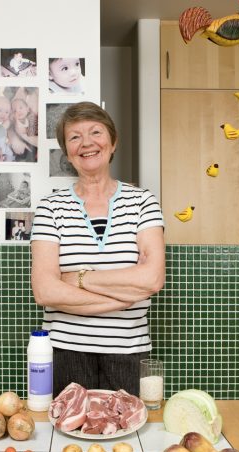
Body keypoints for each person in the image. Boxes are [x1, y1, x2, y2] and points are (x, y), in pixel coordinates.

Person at [30, 102, 165, 396]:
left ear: (113, 142)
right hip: (66, 352)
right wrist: (124, 298)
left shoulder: (143, 202)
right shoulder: (50, 208)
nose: (87, 142)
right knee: (70, 439)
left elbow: (152, 279)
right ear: (66, 152)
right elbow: (45, 292)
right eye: (74, 137)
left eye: (95, 132)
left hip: (129, 352)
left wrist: (79, 277)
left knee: (127, 439)